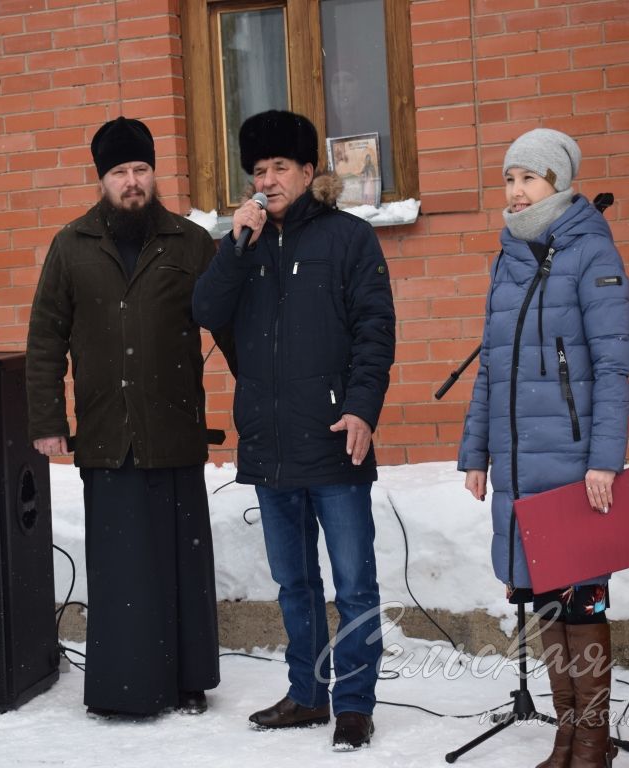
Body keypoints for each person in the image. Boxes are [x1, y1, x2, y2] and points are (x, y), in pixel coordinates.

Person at [192, 110, 396, 751]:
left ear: (311, 173)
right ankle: (309, 694)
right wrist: (233, 244)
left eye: (281, 167)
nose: (269, 180)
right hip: (269, 441)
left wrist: (362, 408)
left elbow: (374, 331)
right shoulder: (243, 246)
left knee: (354, 580)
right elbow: (204, 310)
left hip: (335, 436)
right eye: (258, 170)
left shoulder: (349, 239)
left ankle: (355, 703)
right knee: (294, 582)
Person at [25, 117, 233, 718]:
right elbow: (45, 337)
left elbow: (228, 322)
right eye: (120, 172)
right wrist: (47, 417)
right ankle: (125, 688)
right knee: (120, 571)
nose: (132, 182)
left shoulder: (190, 243)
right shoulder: (71, 246)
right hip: (105, 431)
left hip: (173, 428)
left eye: (141, 169)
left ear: (153, 173)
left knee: (181, 563)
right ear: (102, 180)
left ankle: (189, 678)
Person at [457, 128, 629, 768]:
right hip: (520, 465)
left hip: (574, 464)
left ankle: (592, 739)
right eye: (509, 178)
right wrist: (475, 453)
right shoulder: (509, 260)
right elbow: (492, 368)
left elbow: (613, 369)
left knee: (581, 599)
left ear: (558, 182)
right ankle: (567, 735)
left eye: (529, 177)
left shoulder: (592, 253)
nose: (516, 190)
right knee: (547, 602)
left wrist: (604, 461)